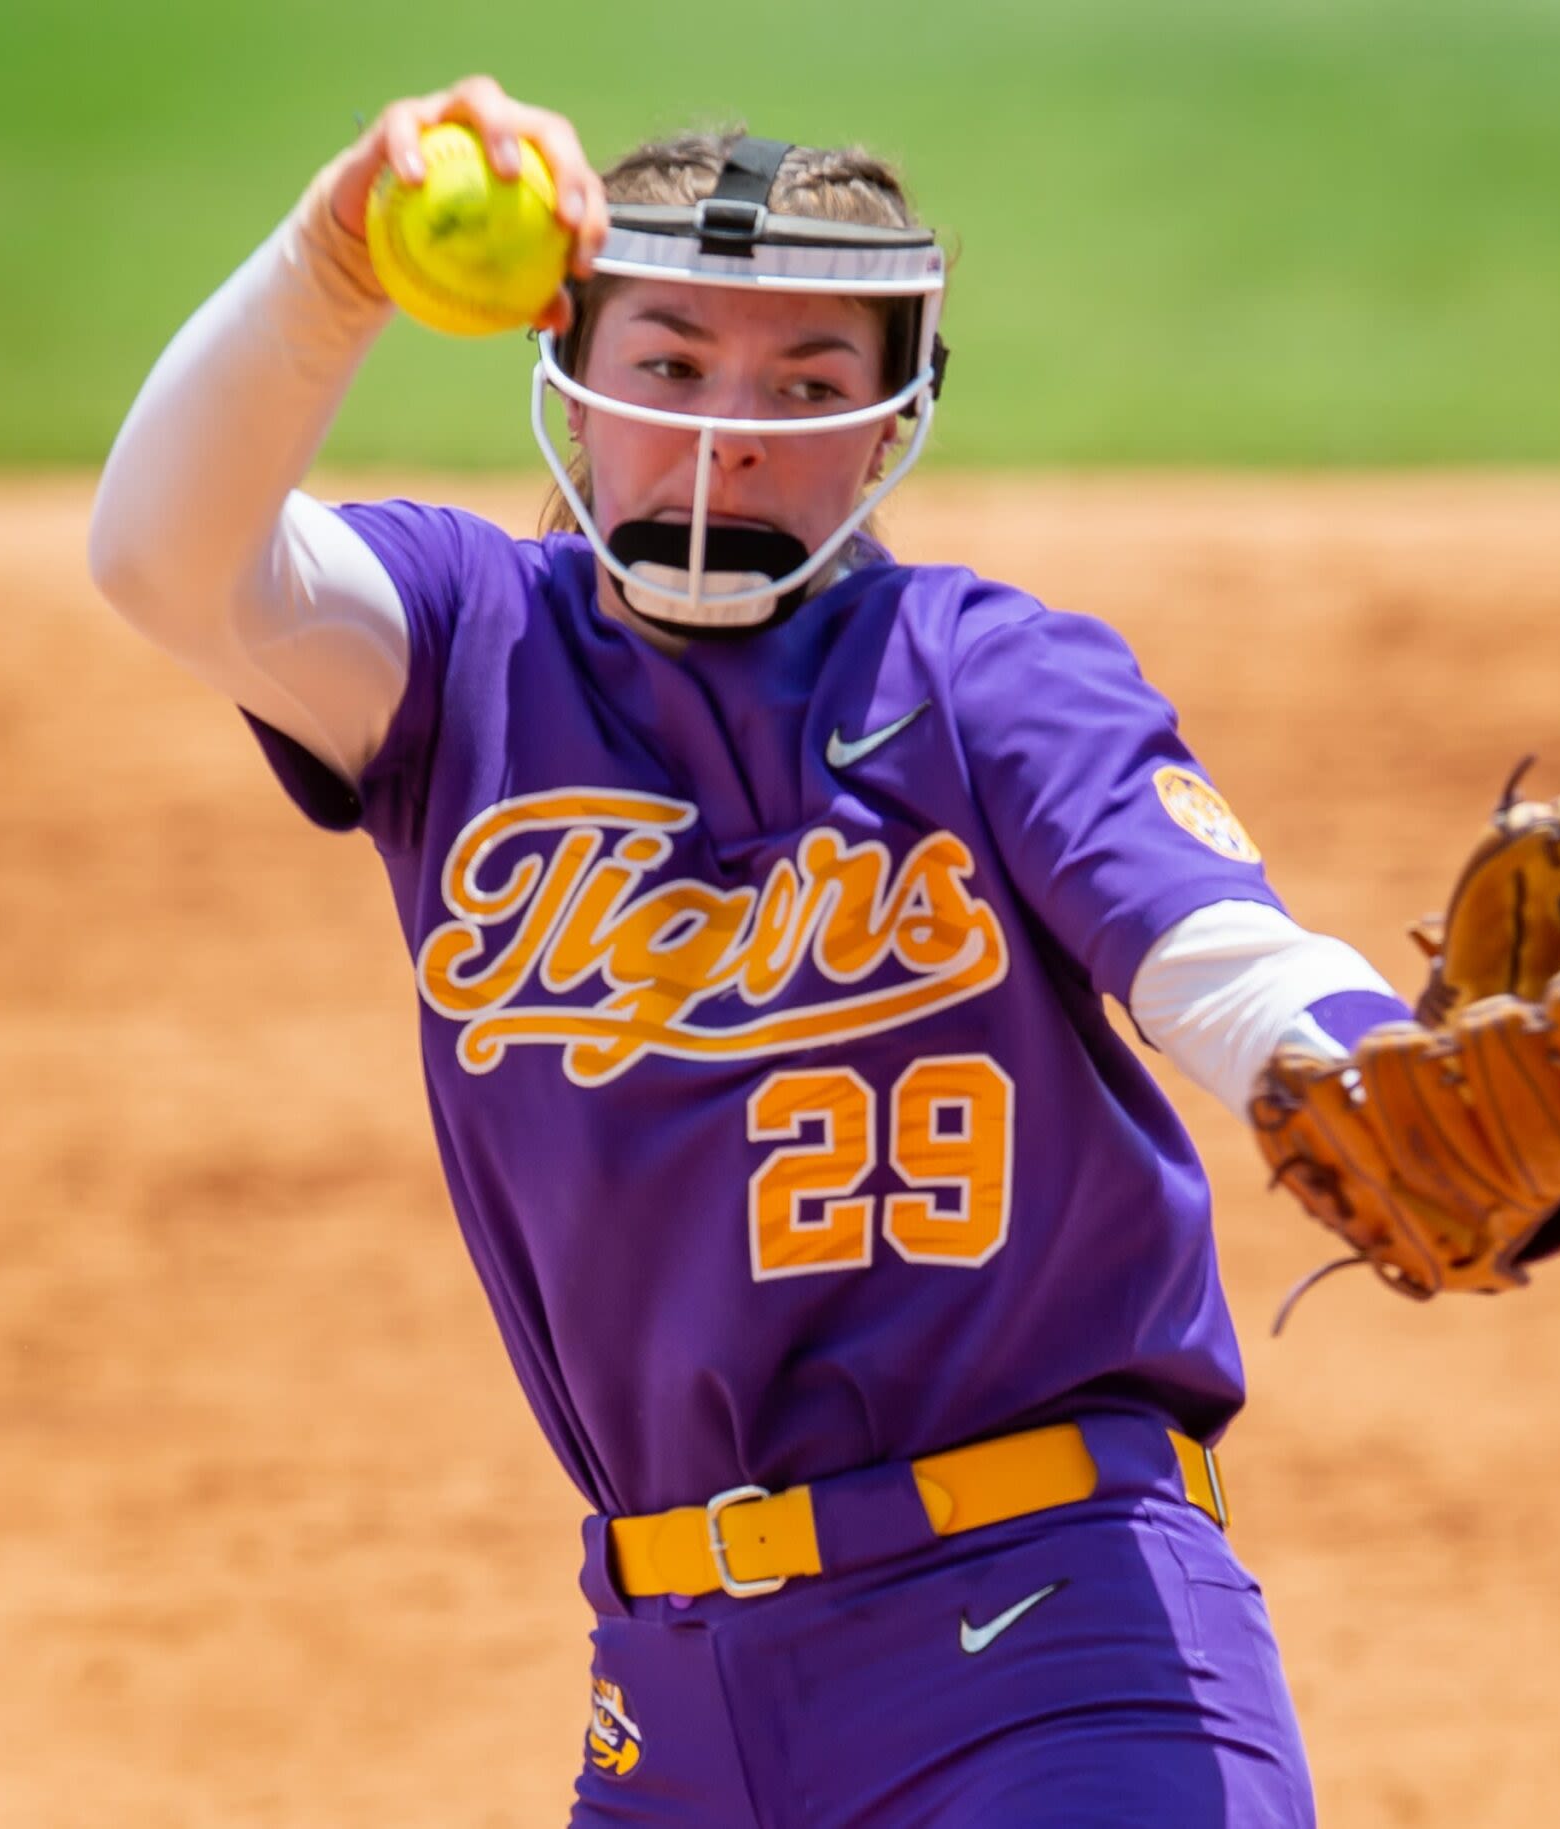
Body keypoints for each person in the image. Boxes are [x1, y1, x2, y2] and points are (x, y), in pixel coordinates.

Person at [90, 75, 1440, 1827]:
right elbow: (165, 561)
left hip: (1053, 1648)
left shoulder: (984, 672)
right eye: (670, 366)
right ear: (572, 376)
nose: (730, 433)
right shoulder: (457, 650)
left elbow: (1213, 949)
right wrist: (339, 260)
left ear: (890, 427)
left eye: (807, 385)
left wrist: (1345, 1061)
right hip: (666, 1693)